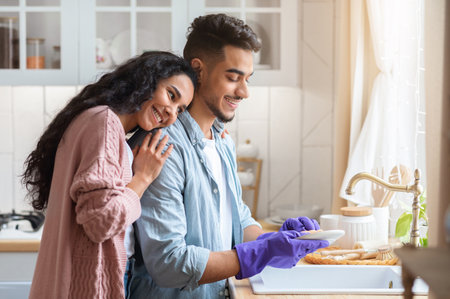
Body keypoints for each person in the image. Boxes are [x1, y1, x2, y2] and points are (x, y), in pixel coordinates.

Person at [128, 14, 329, 299]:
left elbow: (238, 220)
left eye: (247, 79)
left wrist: (275, 241)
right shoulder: (162, 147)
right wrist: (261, 252)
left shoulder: (222, 142)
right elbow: (168, 263)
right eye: (233, 78)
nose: (244, 92)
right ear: (198, 70)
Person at [22, 51, 197, 299]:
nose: (171, 113)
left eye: (180, 110)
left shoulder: (99, 121)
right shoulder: (105, 123)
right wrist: (143, 178)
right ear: (146, 80)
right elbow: (100, 221)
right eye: (171, 95)